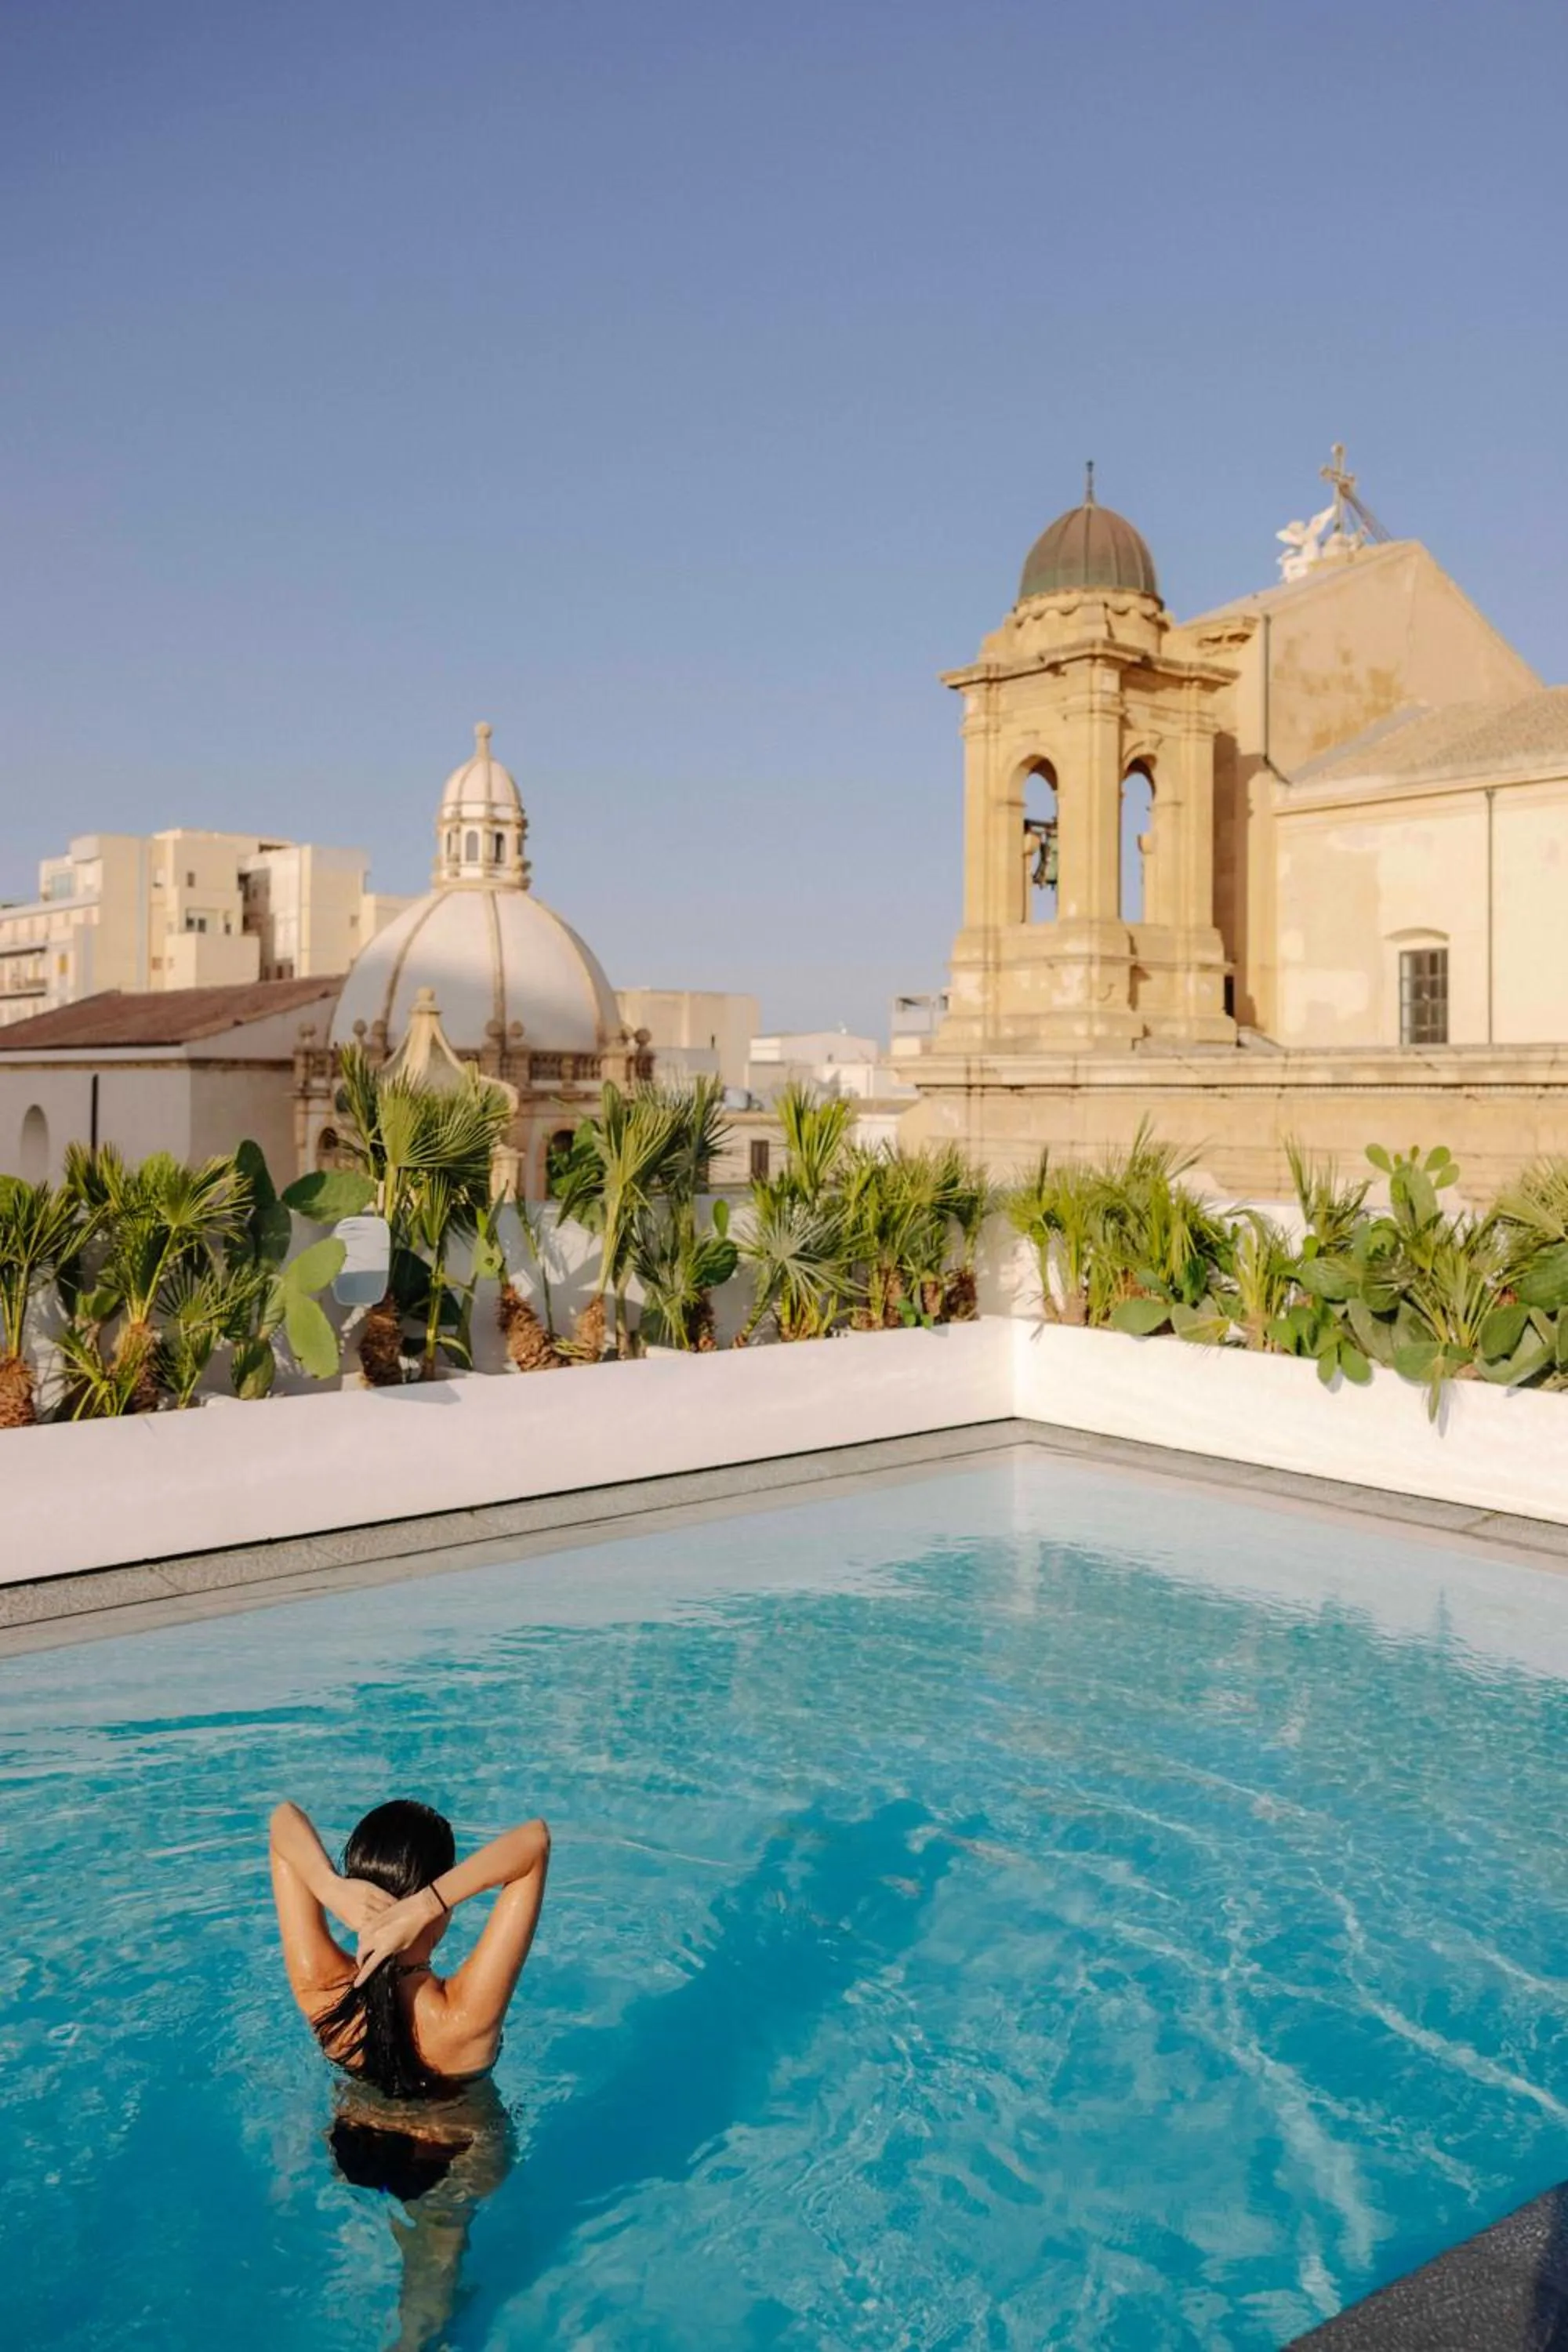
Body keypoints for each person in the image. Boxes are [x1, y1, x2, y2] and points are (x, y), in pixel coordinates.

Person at [269, 1798, 550, 2350]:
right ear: (437, 1910)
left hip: (355, 2142)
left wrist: (327, 1886)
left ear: (355, 1894)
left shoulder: (323, 1993)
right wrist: (430, 1902)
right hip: (454, 2154)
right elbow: (534, 1843)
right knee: (434, 2269)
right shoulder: (465, 2017)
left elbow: (281, 1823)